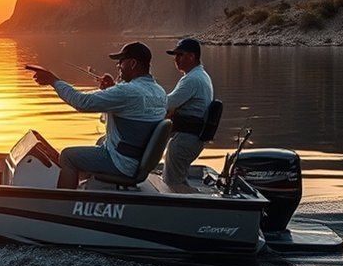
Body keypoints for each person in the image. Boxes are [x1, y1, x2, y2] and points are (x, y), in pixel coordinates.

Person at [31, 42, 167, 189]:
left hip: (122, 164)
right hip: (136, 161)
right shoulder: (159, 92)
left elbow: (82, 102)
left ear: (133, 63)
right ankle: (89, 190)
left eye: (121, 61)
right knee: (100, 141)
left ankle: (66, 203)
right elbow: (133, 107)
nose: (118, 65)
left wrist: (53, 80)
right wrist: (111, 89)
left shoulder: (128, 92)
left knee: (67, 156)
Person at [162, 38, 214, 192]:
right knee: (178, 179)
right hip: (191, 138)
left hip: (185, 139)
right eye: (175, 55)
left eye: (180, 55)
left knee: (172, 184)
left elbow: (167, 104)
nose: (176, 59)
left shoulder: (192, 79)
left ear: (192, 56)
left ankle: (199, 206)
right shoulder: (200, 76)